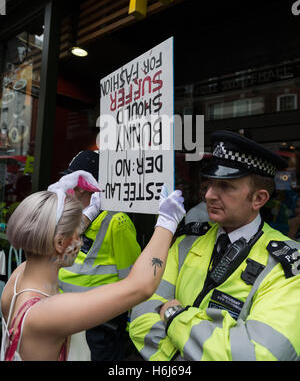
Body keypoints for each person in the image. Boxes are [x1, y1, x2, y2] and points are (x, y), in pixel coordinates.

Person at [129, 130, 300, 361]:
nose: (209, 194)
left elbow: (258, 354)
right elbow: (141, 311)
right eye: (210, 184)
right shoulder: (187, 240)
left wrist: (171, 314)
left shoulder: (288, 262)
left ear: (258, 199)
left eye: (226, 186)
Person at [0, 170, 185, 361]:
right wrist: (167, 223)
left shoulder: (18, 278)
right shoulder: (46, 312)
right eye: (77, 233)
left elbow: (50, 232)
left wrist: (79, 212)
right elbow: (141, 287)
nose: (80, 240)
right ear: (59, 243)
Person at [57, 151, 141, 361]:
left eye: (77, 186)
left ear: (93, 189)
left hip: (101, 325)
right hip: (66, 315)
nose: (70, 191)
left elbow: (132, 277)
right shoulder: (69, 216)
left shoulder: (117, 221)